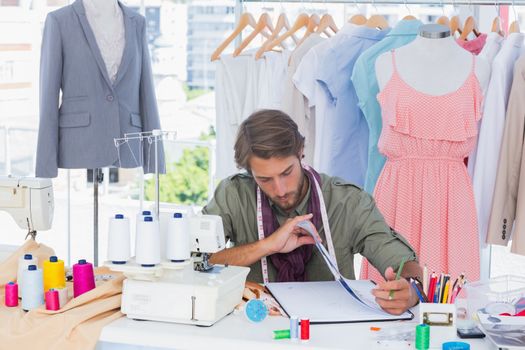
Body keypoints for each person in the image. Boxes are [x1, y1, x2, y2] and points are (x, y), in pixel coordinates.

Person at [203, 109, 422, 315]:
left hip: (330, 333)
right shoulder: (233, 195)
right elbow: (198, 262)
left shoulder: (347, 201)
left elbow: (405, 264)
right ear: (250, 173)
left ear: (300, 153)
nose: (279, 190)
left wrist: (411, 290)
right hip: (254, 326)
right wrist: (267, 246)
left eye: (287, 172)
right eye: (264, 179)